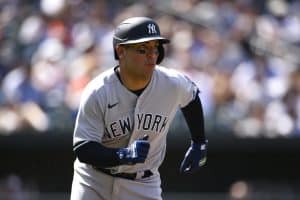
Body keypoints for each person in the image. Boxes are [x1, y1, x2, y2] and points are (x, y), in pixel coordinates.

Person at [70, 16, 207, 200]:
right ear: (121, 51)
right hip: (94, 181)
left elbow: (192, 97)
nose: (152, 55)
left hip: (143, 184)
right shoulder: (98, 91)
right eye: (142, 49)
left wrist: (199, 142)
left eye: (155, 48)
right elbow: (84, 148)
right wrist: (123, 155)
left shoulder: (172, 83)